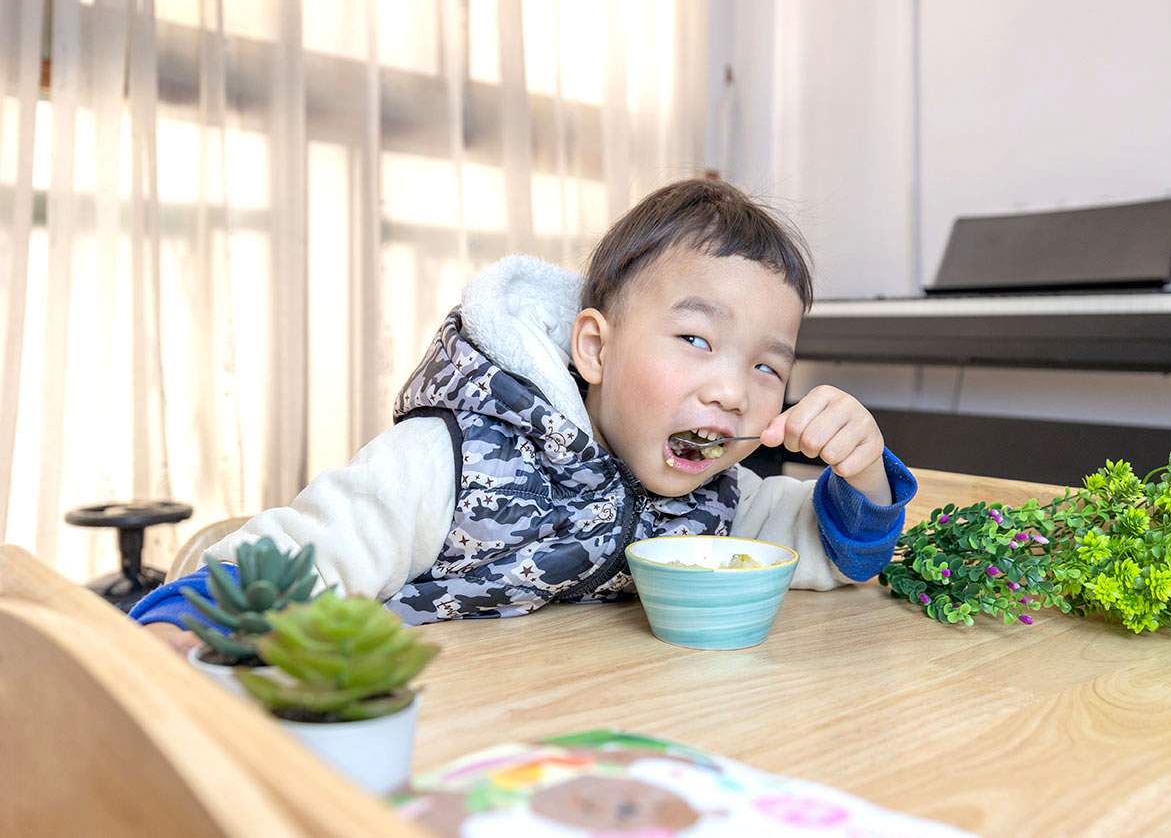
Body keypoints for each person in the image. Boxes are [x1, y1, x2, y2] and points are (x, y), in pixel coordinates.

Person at [133, 178, 917, 651]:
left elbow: (830, 551)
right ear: (594, 349)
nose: (731, 390)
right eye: (693, 339)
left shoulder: (721, 497)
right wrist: (179, 630)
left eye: (766, 366)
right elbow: (312, 550)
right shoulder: (456, 455)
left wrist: (863, 472)